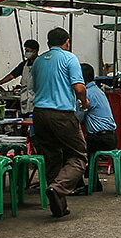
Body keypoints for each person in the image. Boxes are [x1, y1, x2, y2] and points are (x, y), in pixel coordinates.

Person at [31, 27, 89, 218]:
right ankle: (58, 188)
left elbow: (37, 87)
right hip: (61, 115)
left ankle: (59, 205)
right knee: (79, 157)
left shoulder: (38, 61)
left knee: (52, 157)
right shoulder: (69, 58)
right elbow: (79, 88)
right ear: (67, 42)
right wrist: (85, 102)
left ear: (48, 43)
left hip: (39, 114)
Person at [76, 63, 117, 193]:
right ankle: (95, 183)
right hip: (110, 136)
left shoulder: (87, 94)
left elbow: (78, 117)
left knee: (72, 149)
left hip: (101, 138)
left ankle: (79, 186)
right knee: (85, 147)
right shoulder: (97, 90)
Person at [0, 39, 39, 115]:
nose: (26, 53)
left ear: (34, 51)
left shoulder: (41, 63)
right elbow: (12, 75)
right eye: (25, 50)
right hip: (25, 96)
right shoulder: (24, 64)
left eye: (28, 51)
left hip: (37, 96)